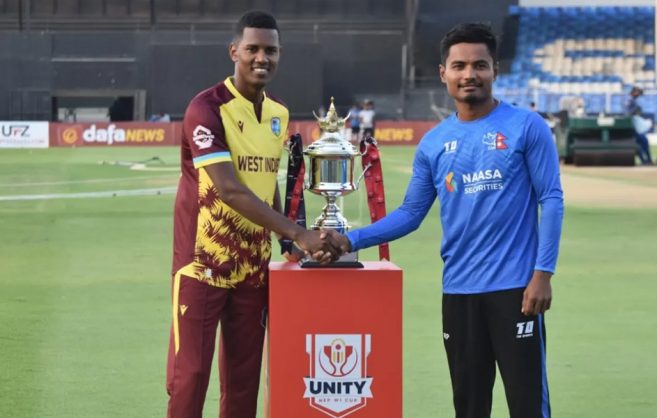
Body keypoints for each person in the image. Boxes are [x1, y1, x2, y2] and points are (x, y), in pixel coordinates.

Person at [318, 23, 563, 418]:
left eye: (480, 65)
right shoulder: (434, 142)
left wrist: (543, 274)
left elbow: (551, 199)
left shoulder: (525, 126)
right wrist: (349, 239)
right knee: (468, 407)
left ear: (495, 70)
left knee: (527, 406)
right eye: (459, 66)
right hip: (459, 292)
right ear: (443, 73)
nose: (470, 74)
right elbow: (411, 213)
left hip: (517, 290)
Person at [167, 11, 334, 418]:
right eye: (252, 49)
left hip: (253, 266)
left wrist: (283, 240)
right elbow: (229, 189)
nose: (262, 58)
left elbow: (266, 182)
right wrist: (297, 232)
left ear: (279, 54)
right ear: (234, 51)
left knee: (243, 381)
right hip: (202, 263)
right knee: (190, 376)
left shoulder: (279, 114)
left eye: (270, 50)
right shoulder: (206, 108)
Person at [625, 86, 653, 165]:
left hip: (634, 125)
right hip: (631, 126)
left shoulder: (632, 100)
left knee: (642, 142)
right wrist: (635, 110)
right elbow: (627, 113)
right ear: (634, 92)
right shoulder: (629, 100)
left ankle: (646, 160)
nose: (639, 95)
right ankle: (645, 160)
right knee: (641, 142)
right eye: (638, 93)